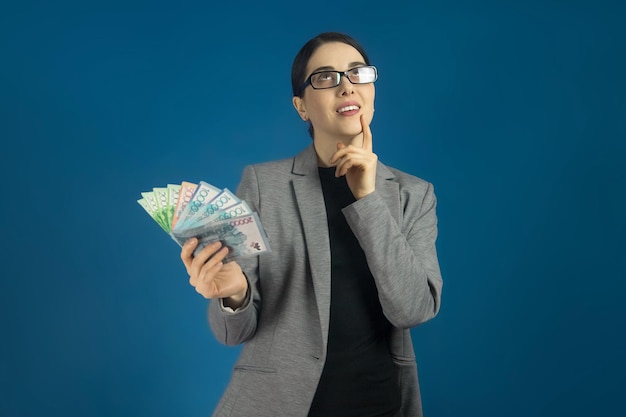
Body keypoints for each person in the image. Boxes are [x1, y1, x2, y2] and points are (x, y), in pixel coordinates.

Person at [180, 31, 443, 417]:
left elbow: (413, 310)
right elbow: (232, 332)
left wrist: (367, 200)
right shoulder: (263, 184)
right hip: (278, 403)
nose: (346, 87)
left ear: (371, 90)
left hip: (378, 404)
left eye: (357, 74)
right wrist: (234, 296)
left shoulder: (413, 194)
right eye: (326, 77)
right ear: (301, 106)